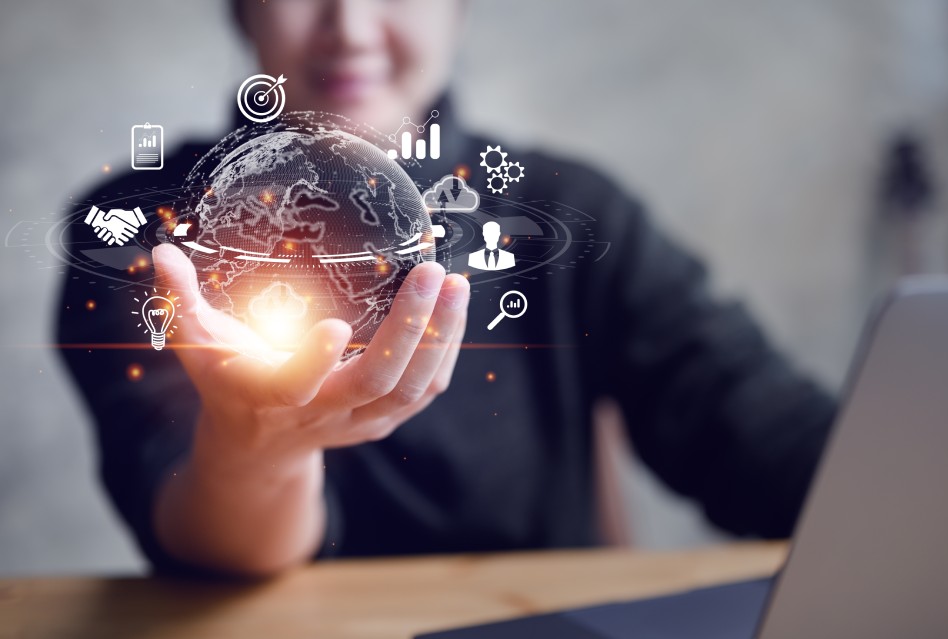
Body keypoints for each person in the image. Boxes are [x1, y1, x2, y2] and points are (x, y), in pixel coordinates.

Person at [58, 0, 835, 578]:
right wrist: (256, 447)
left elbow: (769, 443)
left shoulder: (570, 213)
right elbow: (188, 531)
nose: (351, 24)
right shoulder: (144, 227)